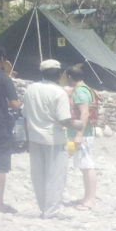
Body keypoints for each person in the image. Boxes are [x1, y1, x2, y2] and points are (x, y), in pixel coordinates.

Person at [22, 59, 77, 218]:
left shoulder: (31, 89)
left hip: (34, 137)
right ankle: (51, 211)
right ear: (60, 75)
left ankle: (42, 208)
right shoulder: (59, 92)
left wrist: (26, 138)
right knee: (55, 175)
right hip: (54, 139)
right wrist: (76, 125)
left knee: (38, 175)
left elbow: (25, 116)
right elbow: (63, 120)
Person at [0, 46, 20, 213]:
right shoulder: (4, 79)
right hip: (0, 125)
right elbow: (14, 104)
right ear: (2, 60)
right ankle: (0, 202)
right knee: (1, 164)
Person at [65, 66, 97, 209]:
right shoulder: (85, 89)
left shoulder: (80, 92)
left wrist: (79, 134)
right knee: (83, 166)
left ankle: (91, 199)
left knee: (87, 166)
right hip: (83, 133)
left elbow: (84, 113)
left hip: (82, 134)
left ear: (70, 77)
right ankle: (87, 197)